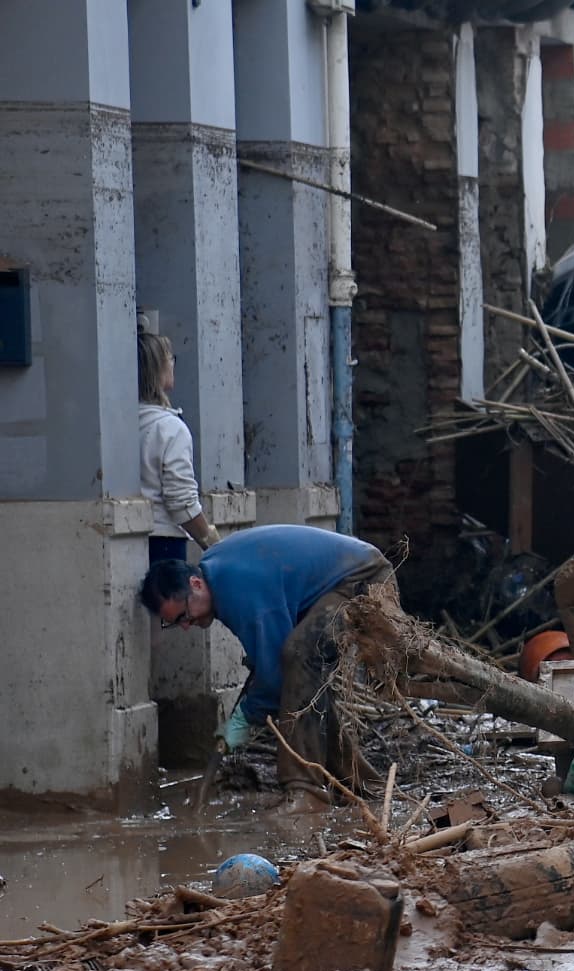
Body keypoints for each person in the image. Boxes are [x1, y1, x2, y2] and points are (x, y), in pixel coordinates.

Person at [139, 524, 395, 812]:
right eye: (175, 623)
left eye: (184, 616)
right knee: (305, 687)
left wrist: (245, 717)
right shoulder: (217, 576)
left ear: (196, 584)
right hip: (343, 580)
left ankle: (306, 792)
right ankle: (365, 787)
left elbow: (275, 677)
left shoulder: (236, 588)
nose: (186, 627)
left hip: (363, 580)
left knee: (299, 658)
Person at [137, 330, 220, 564]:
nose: (173, 364)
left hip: (135, 538)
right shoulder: (170, 428)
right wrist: (213, 545)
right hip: (164, 543)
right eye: (170, 359)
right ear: (158, 369)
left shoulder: (121, 426)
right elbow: (181, 502)